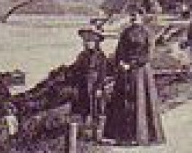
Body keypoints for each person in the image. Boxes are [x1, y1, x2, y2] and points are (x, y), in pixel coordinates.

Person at [102, 12, 165, 145]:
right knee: (122, 101)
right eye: (132, 16)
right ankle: (122, 136)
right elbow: (120, 50)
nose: (133, 18)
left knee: (140, 101)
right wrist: (120, 62)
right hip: (124, 70)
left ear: (141, 17)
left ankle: (141, 136)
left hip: (141, 72)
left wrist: (131, 64)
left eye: (136, 16)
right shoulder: (125, 32)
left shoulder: (147, 33)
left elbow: (148, 55)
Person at [68, 27, 112, 142]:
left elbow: (102, 74)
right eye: (86, 41)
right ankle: (82, 132)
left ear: (96, 43)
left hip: (94, 85)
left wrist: (99, 87)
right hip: (83, 85)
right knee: (82, 108)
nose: (87, 44)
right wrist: (74, 85)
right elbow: (76, 71)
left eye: (90, 41)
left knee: (96, 109)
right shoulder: (82, 56)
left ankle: (96, 133)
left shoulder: (101, 57)